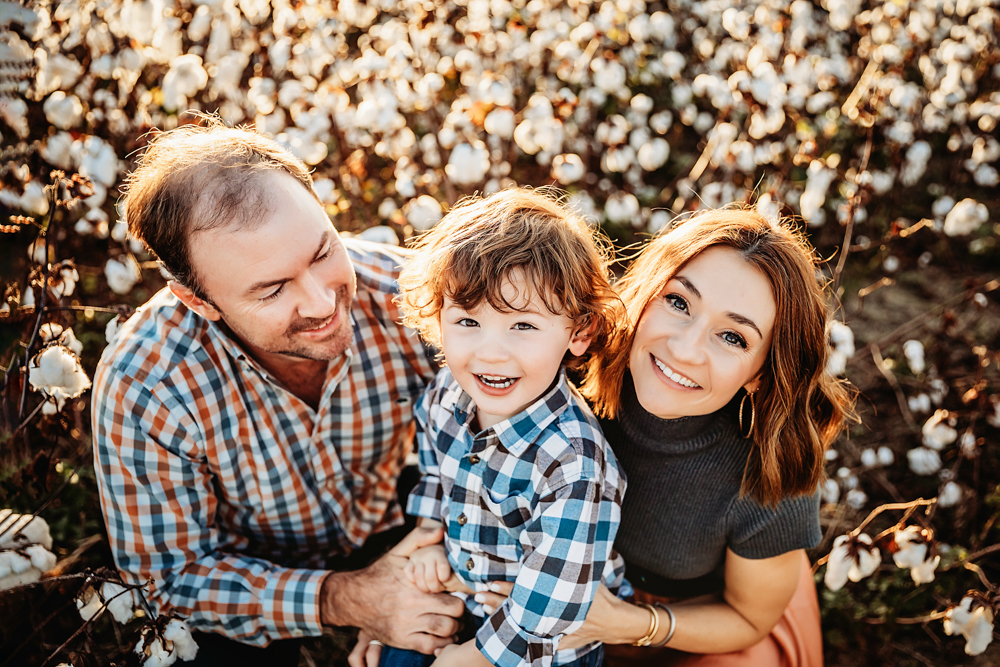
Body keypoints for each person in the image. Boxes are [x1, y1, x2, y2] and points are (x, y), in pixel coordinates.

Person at [91, 122, 508, 665]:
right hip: (245, 571)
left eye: (321, 253)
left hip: (402, 525)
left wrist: (430, 556)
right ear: (198, 300)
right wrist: (350, 598)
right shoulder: (144, 384)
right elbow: (167, 579)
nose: (321, 303)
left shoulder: (415, 299)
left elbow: (505, 434)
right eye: (272, 289)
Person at [563, 208, 857, 665]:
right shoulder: (566, 363)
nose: (684, 349)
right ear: (646, 294)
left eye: (733, 337)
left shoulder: (766, 466)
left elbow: (747, 618)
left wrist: (628, 623)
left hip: (709, 628)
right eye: (679, 303)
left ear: (762, 373)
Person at [375, 189, 627, 667]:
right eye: (468, 321)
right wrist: (430, 534)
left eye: (522, 326)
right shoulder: (446, 395)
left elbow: (550, 609)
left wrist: (469, 658)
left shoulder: (574, 463)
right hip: (465, 592)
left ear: (579, 332)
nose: (490, 352)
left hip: (545, 641)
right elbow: (434, 468)